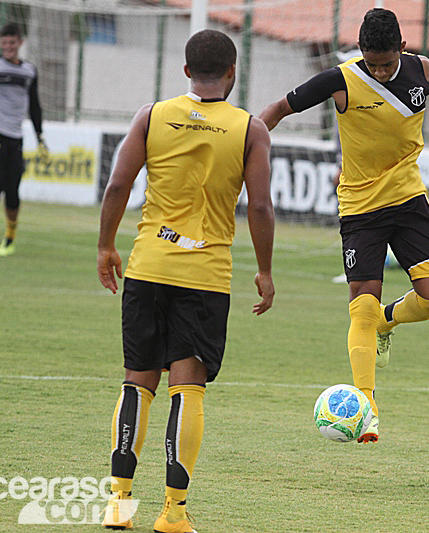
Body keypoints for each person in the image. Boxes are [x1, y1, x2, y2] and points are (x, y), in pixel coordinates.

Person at [260, 8, 429, 442]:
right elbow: (279, 108)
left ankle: (387, 323)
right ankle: (366, 408)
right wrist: (246, 143)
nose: (380, 71)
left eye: (386, 63)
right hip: (361, 210)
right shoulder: (341, 80)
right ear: (361, 52)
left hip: (409, 202)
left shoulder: (419, 69)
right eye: (372, 63)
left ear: (402, 48)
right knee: (362, 305)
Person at [96, 30, 274, 532]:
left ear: (186, 70)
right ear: (233, 72)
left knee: (137, 380)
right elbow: (260, 206)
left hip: (148, 267)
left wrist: (106, 245)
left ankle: (119, 502)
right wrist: (264, 270)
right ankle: (173, 512)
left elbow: (118, 184)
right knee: (187, 387)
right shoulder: (250, 129)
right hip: (205, 276)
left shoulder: (151, 116)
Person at [0, 22, 47, 257]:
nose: (8, 47)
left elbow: (35, 105)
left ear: (20, 42)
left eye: (12, 43)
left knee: (13, 190)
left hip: (16, 138)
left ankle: (10, 238)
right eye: (4, 43)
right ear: (0, 43)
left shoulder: (29, 71)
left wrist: (39, 136)